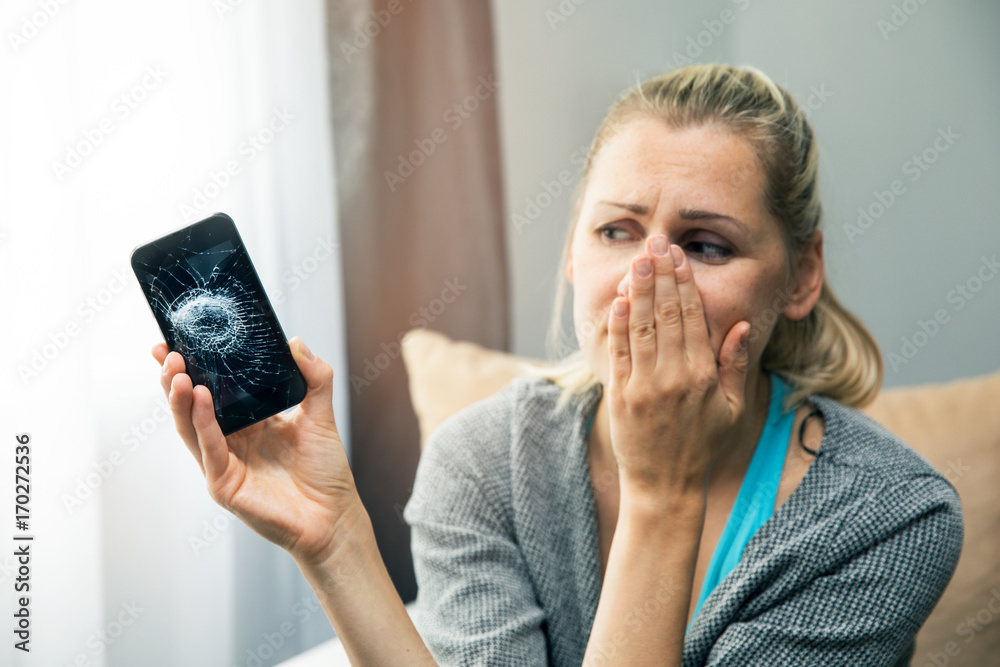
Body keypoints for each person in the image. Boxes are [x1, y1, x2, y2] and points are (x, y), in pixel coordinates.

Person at [153, 63, 963, 666]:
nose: (648, 279)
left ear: (801, 275)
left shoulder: (890, 517)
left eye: (705, 244)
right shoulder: (485, 459)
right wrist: (333, 544)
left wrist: (661, 490)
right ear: (573, 247)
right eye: (616, 231)